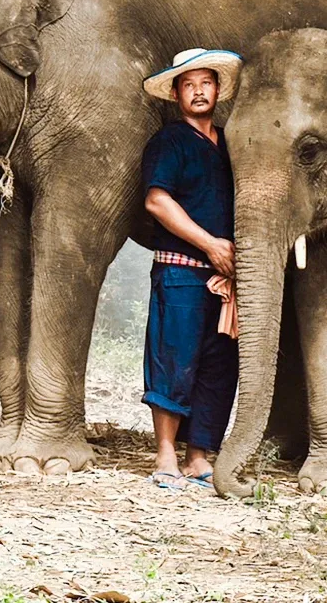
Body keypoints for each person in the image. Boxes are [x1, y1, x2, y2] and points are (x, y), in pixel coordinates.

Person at [138, 47, 243, 490]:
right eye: (188, 85)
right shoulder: (170, 141)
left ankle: (198, 456)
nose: (198, 92)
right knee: (173, 362)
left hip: (226, 280)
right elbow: (156, 200)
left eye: (206, 83)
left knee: (218, 367)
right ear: (176, 94)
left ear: (218, 90)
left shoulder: (232, 143)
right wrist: (210, 245)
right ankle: (166, 455)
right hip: (181, 271)